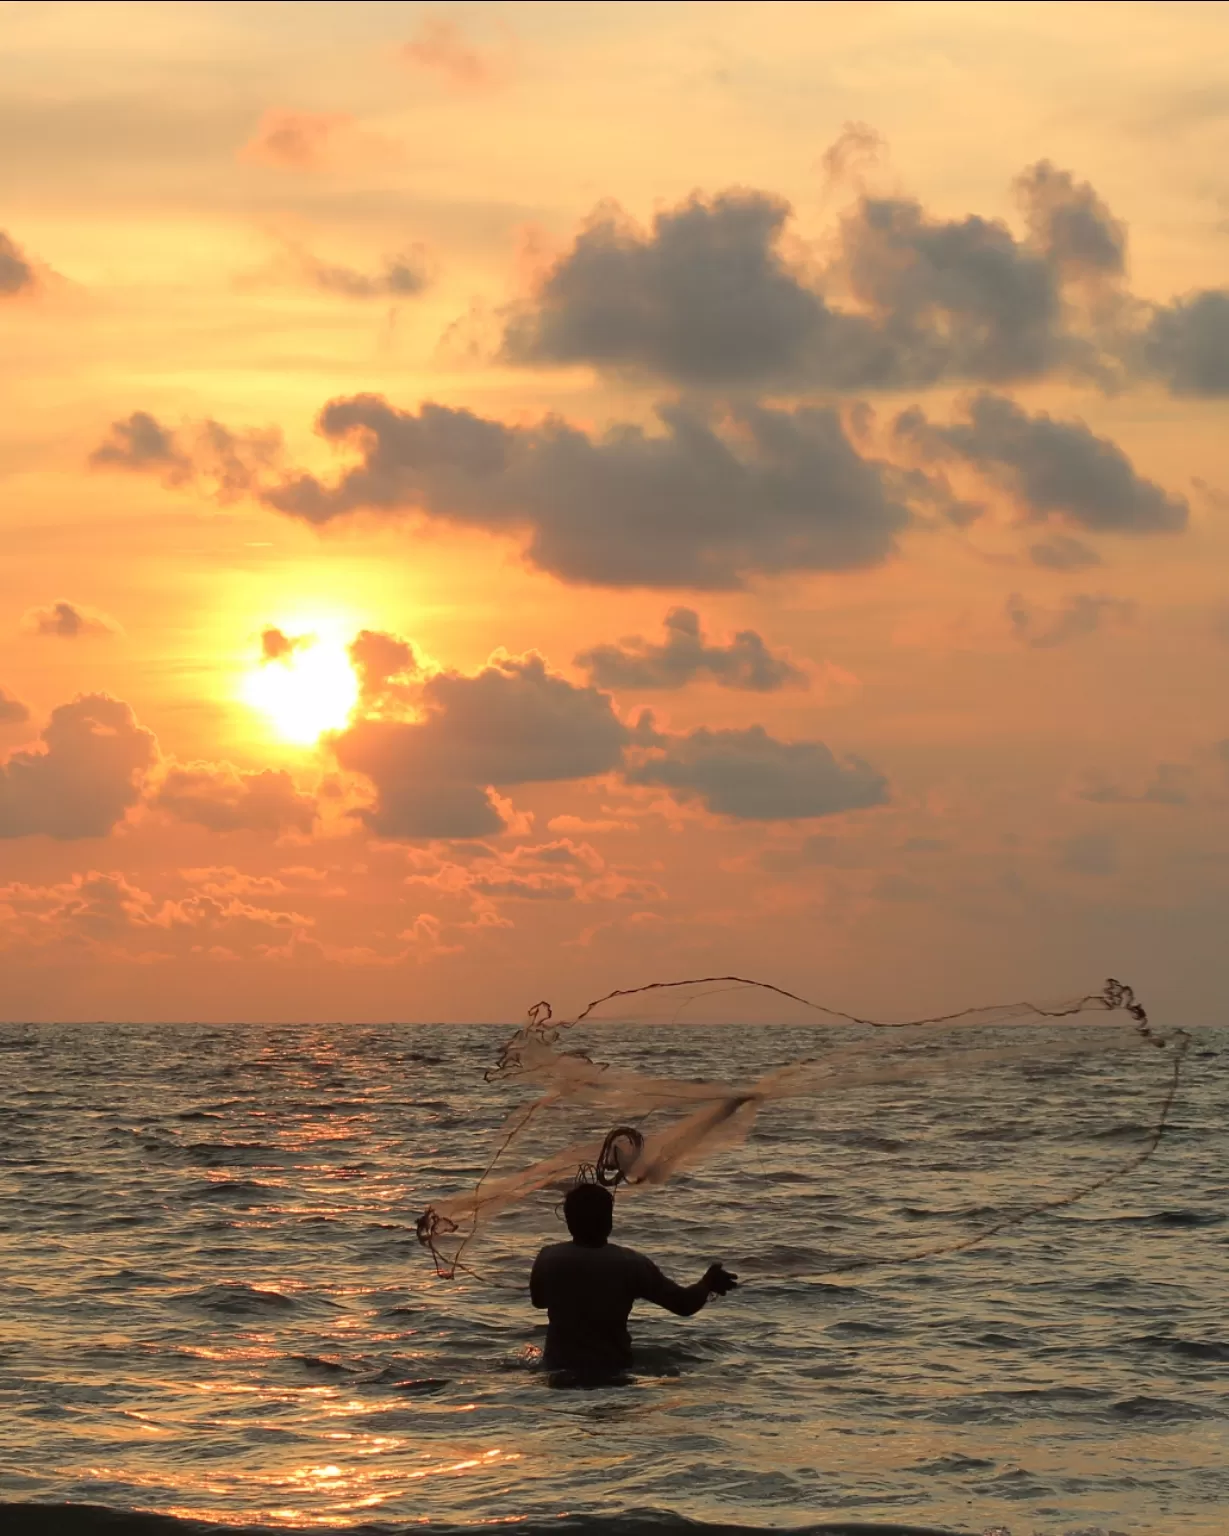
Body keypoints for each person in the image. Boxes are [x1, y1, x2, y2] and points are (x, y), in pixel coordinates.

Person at [529, 1181, 738, 1378]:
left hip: (558, 1370)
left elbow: (538, 1301)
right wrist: (707, 1283)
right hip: (613, 1369)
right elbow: (683, 1305)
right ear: (608, 1221)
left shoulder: (549, 1258)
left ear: (569, 1221)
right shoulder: (630, 1263)